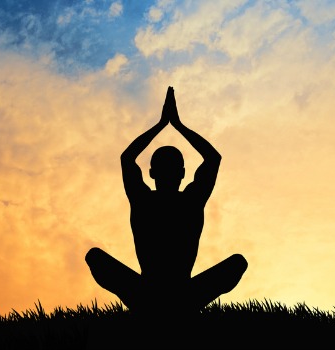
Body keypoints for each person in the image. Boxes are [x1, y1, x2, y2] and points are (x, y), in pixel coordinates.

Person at [85, 86, 247, 317]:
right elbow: (212, 158)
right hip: (174, 294)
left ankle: (153, 309)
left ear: (151, 173)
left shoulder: (145, 199)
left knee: (95, 256)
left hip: (154, 293)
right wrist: (176, 125)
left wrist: (163, 124)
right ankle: (173, 309)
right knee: (237, 263)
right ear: (182, 174)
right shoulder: (189, 199)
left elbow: (127, 158)